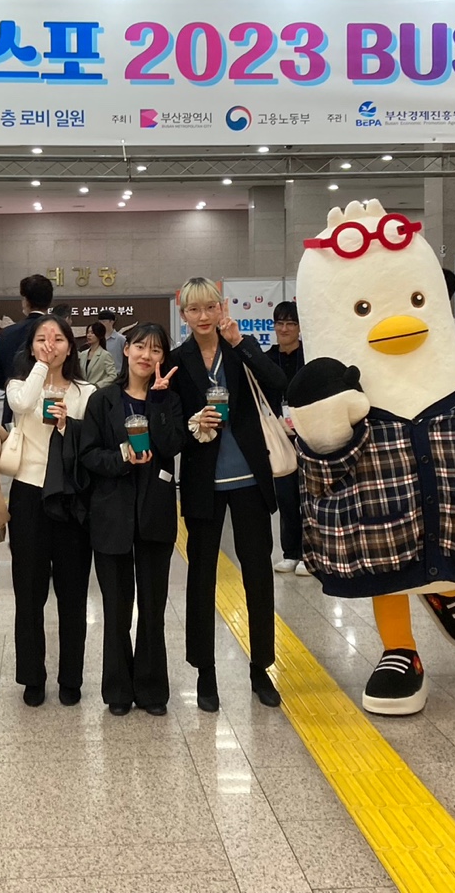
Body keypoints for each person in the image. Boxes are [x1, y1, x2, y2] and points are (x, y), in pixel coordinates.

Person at [171, 277, 287, 712]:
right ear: (183, 314)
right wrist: (192, 422)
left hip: (251, 479)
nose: (203, 317)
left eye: (210, 307)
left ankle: (262, 668)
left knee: (258, 574)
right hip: (204, 481)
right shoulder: (177, 360)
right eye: (194, 309)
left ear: (222, 308)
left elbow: (278, 383)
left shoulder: (239, 349)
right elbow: (172, 420)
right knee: (201, 578)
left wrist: (242, 344)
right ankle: (205, 673)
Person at [80, 323, 185, 717]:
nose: (146, 355)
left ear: (163, 358)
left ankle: (153, 690)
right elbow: (89, 454)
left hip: (155, 513)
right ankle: (118, 691)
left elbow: (172, 445)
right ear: (126, 350)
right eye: (140, 347)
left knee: (153, 608)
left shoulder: (170, 400)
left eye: (156, 350)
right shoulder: (102, 400)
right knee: (116, 608)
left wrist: (158, 400)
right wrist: (122, 458)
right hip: (112, 515)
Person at [4, 314, 98, 707]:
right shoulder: (19, 384)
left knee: (73, 594)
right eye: (41, 339)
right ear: (30, 347)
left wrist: (66, 426)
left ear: (70, 347)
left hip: (71, 495)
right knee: (29, 591)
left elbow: (93, 440)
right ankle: (32, 676)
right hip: (28, 494)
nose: (50, 345)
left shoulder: (86, 392)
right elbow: (22, 404)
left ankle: (71, 677)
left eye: (58, 339)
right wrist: (41, 368)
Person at [266, 301, 308, 576]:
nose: (284, 329)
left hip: (308, 435)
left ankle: (310, 555)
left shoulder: (310, 356)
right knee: (286, 496)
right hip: (279, 435)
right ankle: (290, 553)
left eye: (291, 323)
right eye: (280, 323)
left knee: (309, 496)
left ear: (299, 327)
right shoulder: (267, 358)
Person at [0, 274, 54, 426]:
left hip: (14, 411)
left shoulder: (8, 334)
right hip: (50, 408)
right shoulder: (58, 334)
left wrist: (14, 387)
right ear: (49, 301)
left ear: (26, 301)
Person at [80, 321, 118, 388]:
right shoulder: (83, 354)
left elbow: (113, 376)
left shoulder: (105, 355)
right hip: (84, 390)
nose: (89, 335)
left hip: (98, 390)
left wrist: (98, 385)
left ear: (99, 335)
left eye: (92, 333)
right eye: (88, 332)